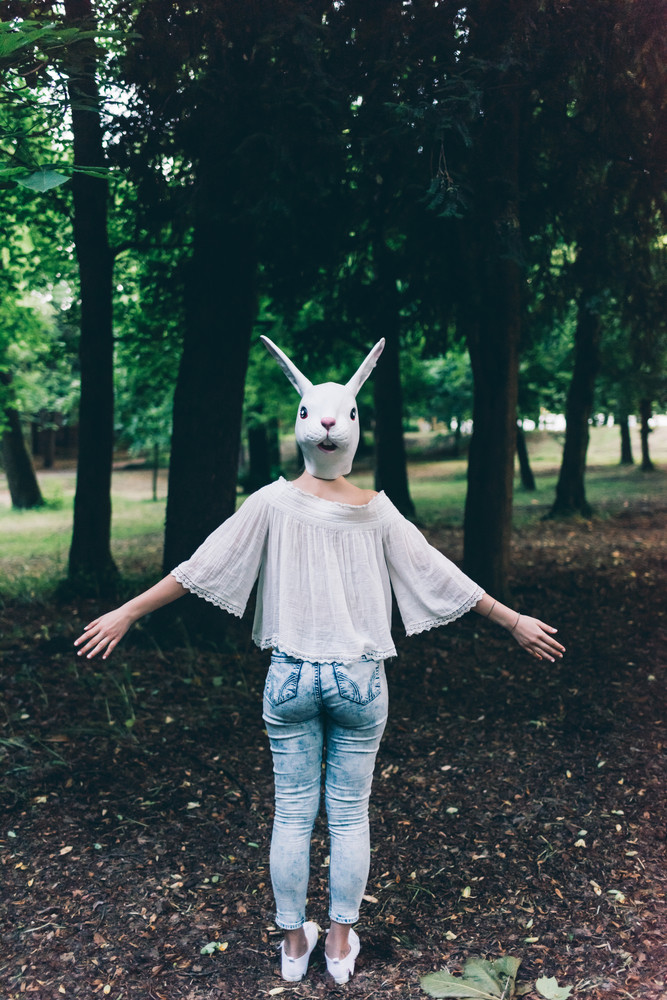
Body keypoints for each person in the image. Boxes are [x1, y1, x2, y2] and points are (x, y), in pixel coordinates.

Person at [74, 336, 565, 985]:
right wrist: (512, 621)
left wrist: (129, 612)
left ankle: (291, 945)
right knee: (349, 811)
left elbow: (197, 571)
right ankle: (337, 945)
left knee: (292, 810)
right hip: (360, 678)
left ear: (305, 427)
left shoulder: (269, 503)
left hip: (289, 678)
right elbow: (444, 576)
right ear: (339, 431)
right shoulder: (379, 512)